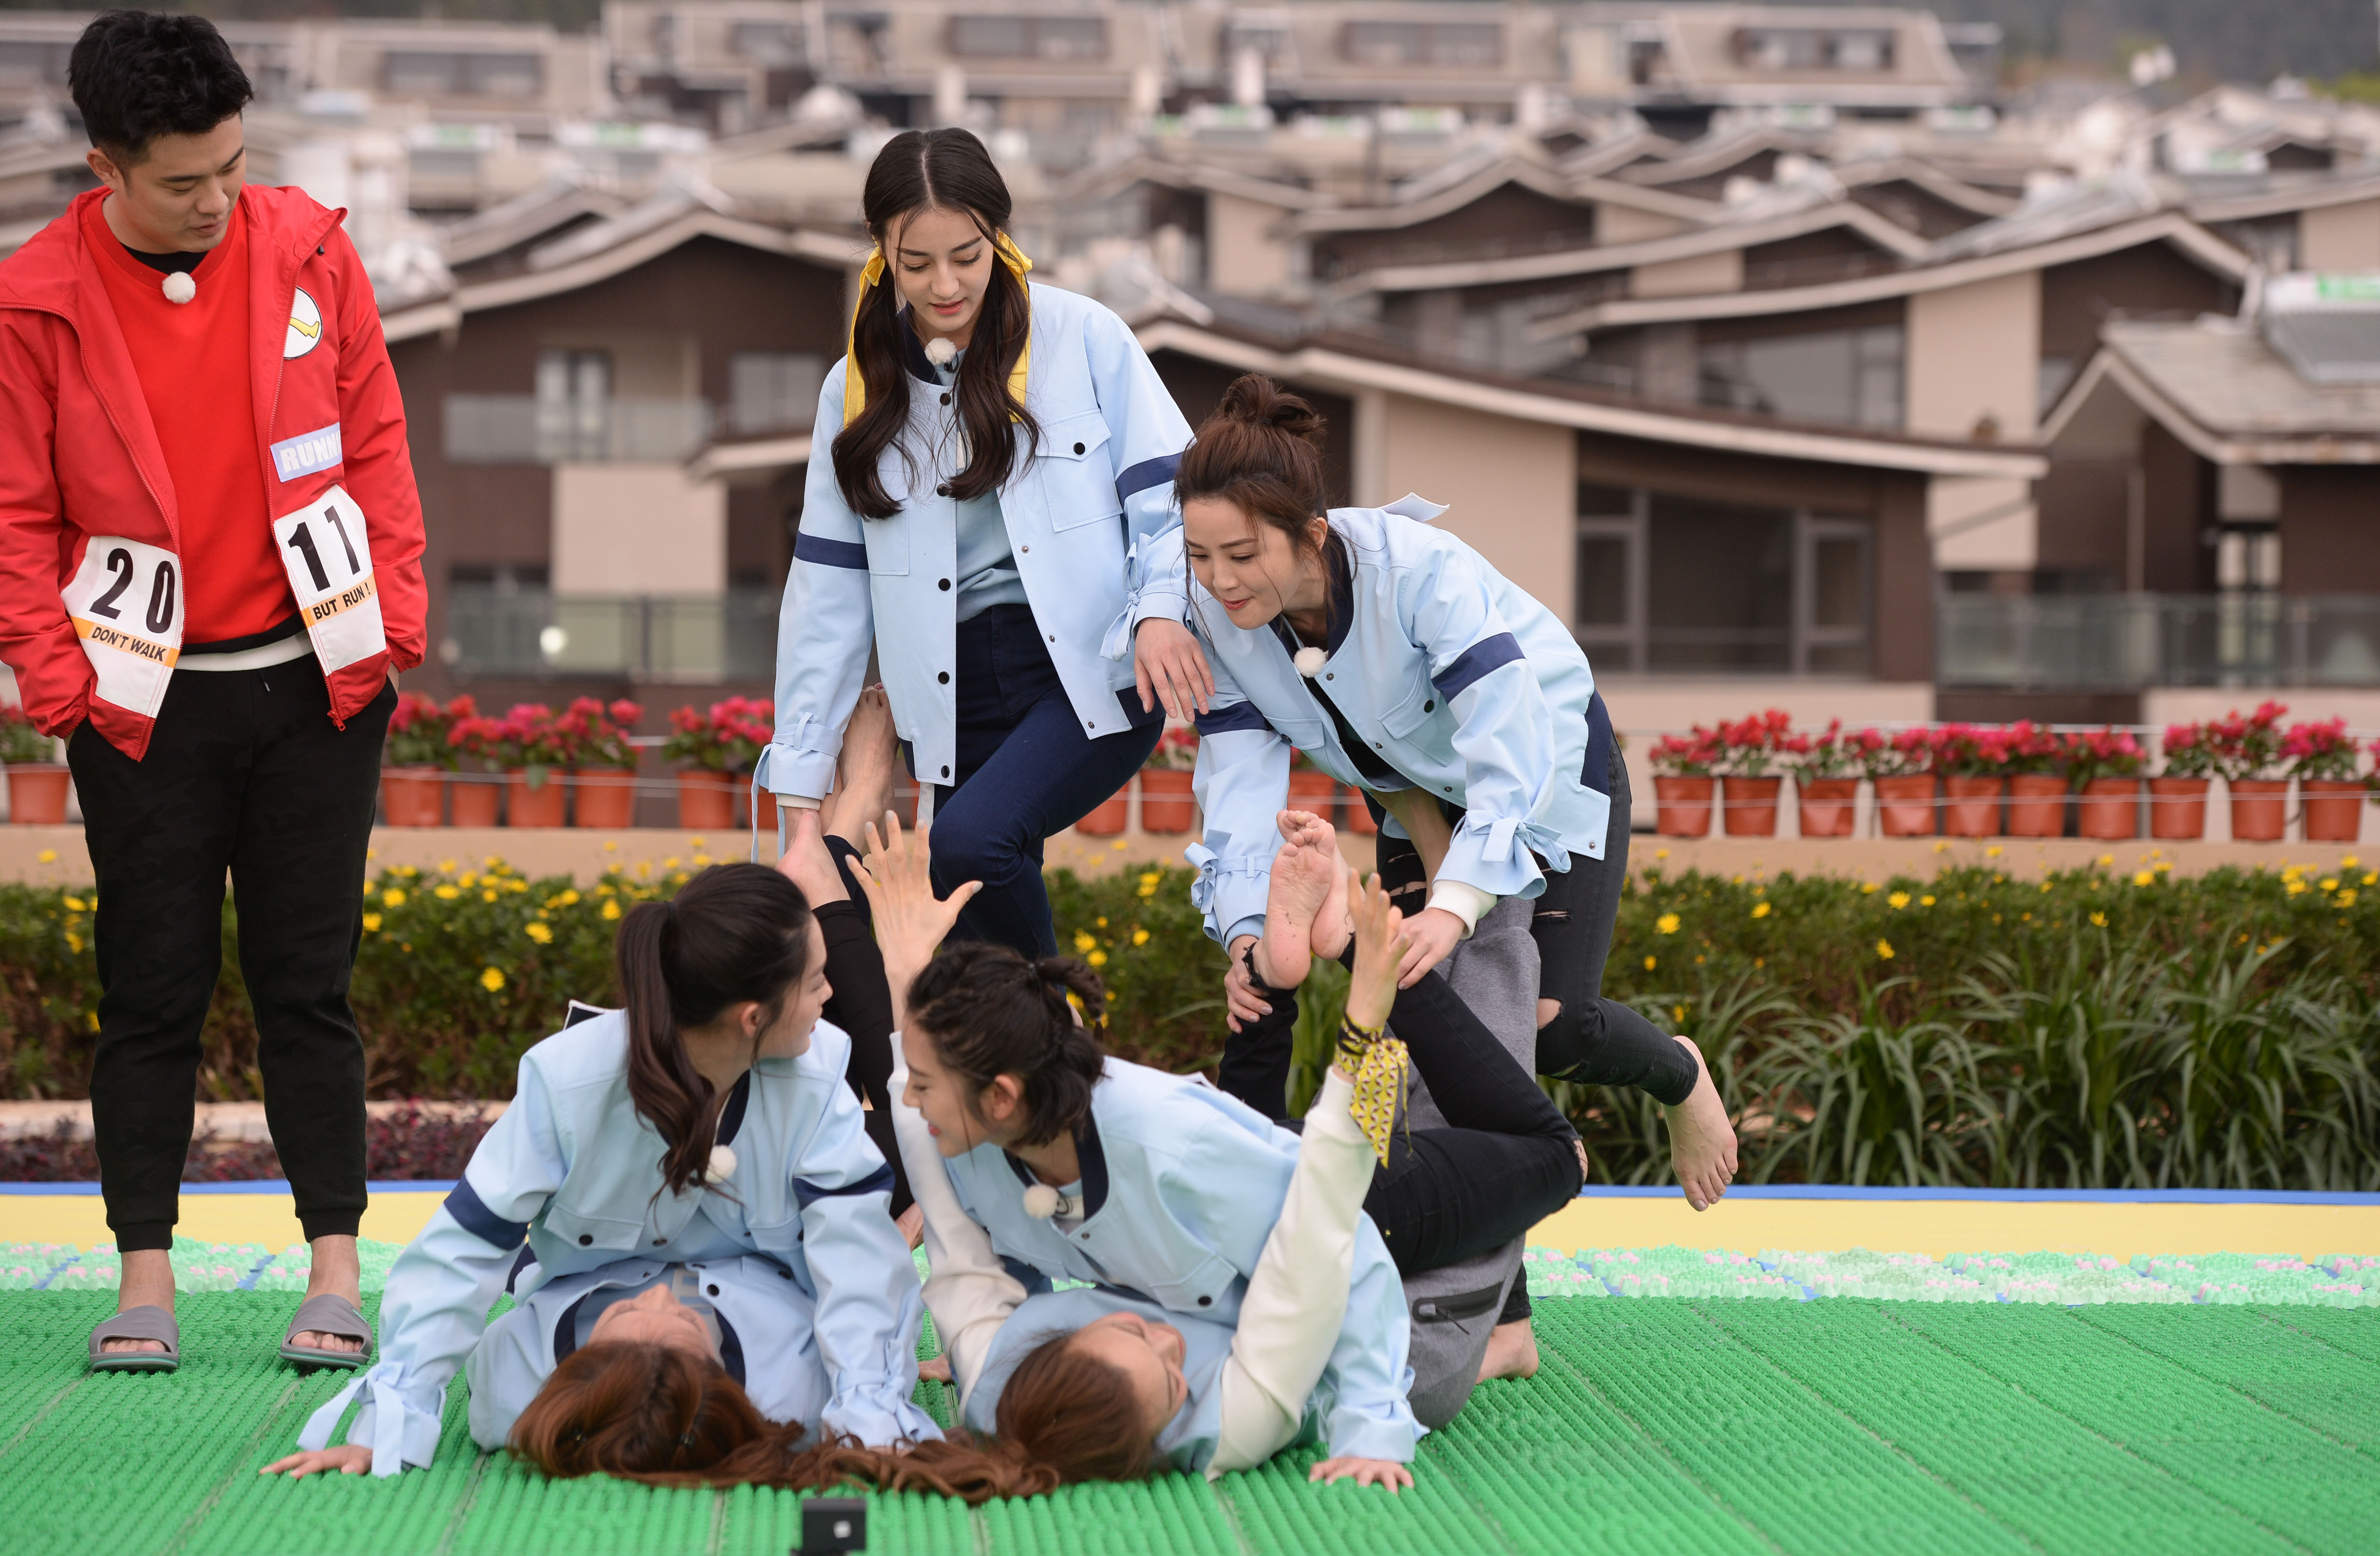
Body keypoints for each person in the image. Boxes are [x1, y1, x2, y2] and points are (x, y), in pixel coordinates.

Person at [403, 805, 1579, 1499]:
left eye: (913, 1081)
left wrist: (1370, 1419)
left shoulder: (1048, 1172)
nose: (895, 1101)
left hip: (1342, 1204)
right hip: (1274, 1238)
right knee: (1413, 1358)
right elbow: (957, 1179)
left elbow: (1336, 1212)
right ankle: (1490, 1320)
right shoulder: (1240, 1406)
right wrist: (1368, 1417)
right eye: (1158, 1363)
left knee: (1534, 1157)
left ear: (993, 1097)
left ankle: (1586, 1058)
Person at [0, 11, 425, 1372]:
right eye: (183, 181)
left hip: (314, 688)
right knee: (152, 989)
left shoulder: (310, 249)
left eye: (231, 168)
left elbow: (376, 441)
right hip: (145, 708)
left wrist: (394, 625)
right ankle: (143, 1282)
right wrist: (59, 687)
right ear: (103, 164)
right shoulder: (35, 300)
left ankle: (337, 1272)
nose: (215, 201)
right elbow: (16, 516)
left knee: (311, 984)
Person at [1174, 374, 1738, 1213]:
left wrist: (1457, 902)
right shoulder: (1215, 619)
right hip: (1411, 794)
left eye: (1244, 556)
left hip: (1543, 766)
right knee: (1428, 1033)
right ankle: (1480, 1300)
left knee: (1546, 1022)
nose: (1220, 582)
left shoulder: (1419, 573)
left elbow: (1506, 739)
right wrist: (1246, 938)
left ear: (1312, 537)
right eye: (1198, 556)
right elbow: (1238, 791)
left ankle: (1680, 1073)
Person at [260, 862, 938, 1479]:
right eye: (818, 981)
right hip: (585, 1312)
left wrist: (870, 1418)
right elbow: (465, 1247)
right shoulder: (568, 1080)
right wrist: (395, 1416)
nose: (830, 997)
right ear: (753, 1016)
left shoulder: (819, 1078)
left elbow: (860, 1266)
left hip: (771, 1317)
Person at [761, 126, 1210, 961]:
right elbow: (826, 597)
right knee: (965, 941)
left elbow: (1171, 499)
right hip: (946, 694)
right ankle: (1040, 1075)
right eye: (917, 262)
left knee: (964, 849)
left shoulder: (1084, 337)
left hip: (1089, 673)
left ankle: (1063, 1036)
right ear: (881, 254)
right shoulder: (854, 389)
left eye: (966, 256)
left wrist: (1158, 611)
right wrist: (799, 806)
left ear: (999, 236)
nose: (945, 284)